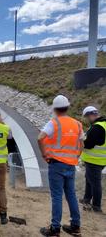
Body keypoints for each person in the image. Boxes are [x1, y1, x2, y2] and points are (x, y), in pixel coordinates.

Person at [38, 95, 83, 237]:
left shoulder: (54, 123)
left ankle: (55, 228)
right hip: (71, 165)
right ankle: (75, 226)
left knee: (57, 196)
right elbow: (82, 142)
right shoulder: (77, 124)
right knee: (71, 195)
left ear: (55, 109)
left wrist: (44, 154)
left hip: (56, 164)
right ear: (67, 107)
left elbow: (40, 138)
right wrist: (76, 156)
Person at [80, 106, 106, 213]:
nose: (87, 120)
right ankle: (87, 199)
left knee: (95, 183)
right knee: (89, 179)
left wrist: (82, 140)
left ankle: (96, 206)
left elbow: (89, 144)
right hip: (99, 160)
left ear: (90, 115)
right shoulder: (103, 124)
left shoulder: (97, 127)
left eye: (87, 117)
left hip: (94, 160)